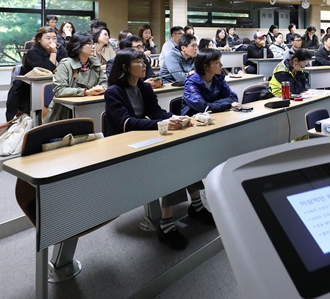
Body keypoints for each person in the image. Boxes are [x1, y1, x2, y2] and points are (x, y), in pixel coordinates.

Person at [103, 48, 213, 250]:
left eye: (144, 61)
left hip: (142, 139)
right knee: (170, 160)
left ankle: (196, 205)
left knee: (184, 151)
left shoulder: (144, 88)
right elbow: (125, 122)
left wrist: (173, 118)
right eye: (139, 61)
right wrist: (159, 125)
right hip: (121, 146)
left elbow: (155, 112)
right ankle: (166, 223)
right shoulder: (113, 92)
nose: (144, 64)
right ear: (125, 67)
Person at [5, 27, 68, 120]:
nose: (52, 41)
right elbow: (46, 71)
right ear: (39, 39)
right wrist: (53, 52)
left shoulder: (60, 47)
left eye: (54, 38)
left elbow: (65, 64)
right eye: (48, 38)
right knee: (28, 113)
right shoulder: (33, 52)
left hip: (53, 83)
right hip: (27, 86)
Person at [44, 32, 107, 123]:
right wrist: (86, 92)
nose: (93, 46)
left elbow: (104, 82)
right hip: (65, 113)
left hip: (91, 107)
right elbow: (59, 90)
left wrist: (102, 88)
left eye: (93, 43)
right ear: (78, 46)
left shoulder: (95, 62)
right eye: (89, 44)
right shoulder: (66, 64)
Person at [183, 49, 239, 115]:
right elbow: (202, 107)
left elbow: (233, 98)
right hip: (194, 120)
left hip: (214, 115)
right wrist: (227, 105)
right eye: (217, 62)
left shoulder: (218, 78)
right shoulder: (191, 83)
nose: (221, 65)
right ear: (206, 66)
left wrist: (212, 105)